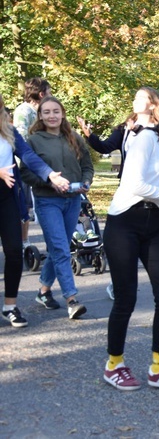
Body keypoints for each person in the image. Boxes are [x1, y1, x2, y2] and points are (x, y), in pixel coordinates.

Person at [102, 92, 159, 392]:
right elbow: (135, 185)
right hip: (124, 223)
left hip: (154, 222)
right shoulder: (145, 139)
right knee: (126, 298)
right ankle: (114, 364)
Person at [77, 88, 159, 310]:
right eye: (134, 98)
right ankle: (118, 285)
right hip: (130, 196)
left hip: (157, 198)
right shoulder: (125, 128)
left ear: (153, 104)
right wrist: (90, 136)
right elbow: (106, 147)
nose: (134, 101)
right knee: (125, 253)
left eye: (139, 98)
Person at [20, 96, 94, 320]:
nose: (52, 116)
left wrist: (86, 183)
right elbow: (25, 172)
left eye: (56, 111)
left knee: (56, 248)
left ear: (62, 114)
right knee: (61, 248)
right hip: (47, 201)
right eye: (47, 112)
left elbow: (87, 166)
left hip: (73, 200)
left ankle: (43, 291)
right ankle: (72, 299)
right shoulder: (33, 141)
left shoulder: (74, 138)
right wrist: (49, 181)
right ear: (40, 116)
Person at [0, 100, 69, 328]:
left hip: (7, 197)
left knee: (13, 251)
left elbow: (28, 156)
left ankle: (10, 306)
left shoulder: (8, 129)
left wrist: (50, 175)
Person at [14, 77, 51, 250]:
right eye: (49, 93)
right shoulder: (24, 110)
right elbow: (19, 139)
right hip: (24, 165)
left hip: (37, 163)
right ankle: (24, 242)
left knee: (37, 202)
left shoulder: (40, 112)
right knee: (25, 205)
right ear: (41, 93)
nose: (51, 96)